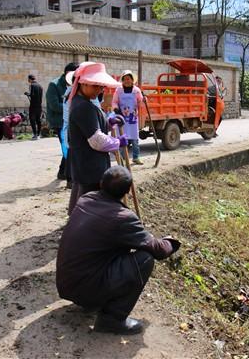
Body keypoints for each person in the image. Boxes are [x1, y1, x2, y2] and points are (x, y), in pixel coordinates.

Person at [56, 166, 181, 335]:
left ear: (100, 184)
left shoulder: (86, 198)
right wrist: (171, 241)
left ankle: (91, 302)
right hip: (83, 288)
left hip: (66, 285)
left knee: (121, 247)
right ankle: (112, 319)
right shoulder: (123, 218)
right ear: (128, 191)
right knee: (144, 259)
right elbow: (159, 250)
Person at [66, 62, 127, 215]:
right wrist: (117, 142)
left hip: (84, 162)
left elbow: (93, 126)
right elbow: (96, 140)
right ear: (83, 84)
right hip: (89, 163)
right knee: (89, 198)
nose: (100, 90)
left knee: (81, 192)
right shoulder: (83, 107)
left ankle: (76, 220)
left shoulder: (82, 102)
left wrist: (109, 122)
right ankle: (84, 225)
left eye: (101, 86)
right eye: (96, 86)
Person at [47, 63, 78, 179]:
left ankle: (62, 172)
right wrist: (72, 106)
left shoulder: (75, 85)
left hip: (71, 120)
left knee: (69, 147)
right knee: (68, 147)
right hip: (59, 122)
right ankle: (69, 177)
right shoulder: (54, 85)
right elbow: (54, 105)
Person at [112, 70, 144, 165]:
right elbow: (114, 102)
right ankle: (122, 158)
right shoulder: (119, 90)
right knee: (122, 138)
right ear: (122, 80)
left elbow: (140, 102)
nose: (127, 81)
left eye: (129, 79)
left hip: (132, 118)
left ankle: (136, 157)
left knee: (134, 139)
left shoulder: (136, 90)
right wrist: (116, 109)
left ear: (132, 80)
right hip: (121, 118)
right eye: (125, 79)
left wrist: (143, 99)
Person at [25, 74, 43, 140]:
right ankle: (38, 134)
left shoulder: (32, 85)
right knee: (38, 120)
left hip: (33, 106)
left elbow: (32, 95)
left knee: (32, 120)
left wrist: (27, 94)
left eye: (28, 79)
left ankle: (35, 134)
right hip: (39, 106)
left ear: (30, 79)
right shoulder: (40, 86)